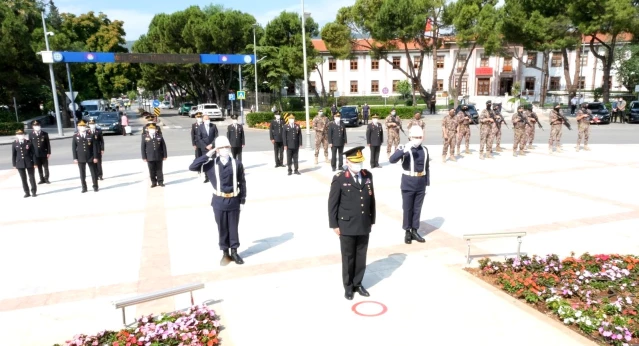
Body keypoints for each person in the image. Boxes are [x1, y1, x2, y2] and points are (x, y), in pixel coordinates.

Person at [328, 146, 376, 300]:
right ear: (348, 162)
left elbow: (371, 200)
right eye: (356, 162)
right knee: (348, 256)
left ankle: (358, 283)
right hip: (346, 225)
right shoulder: (340, 178)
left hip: (363, 223)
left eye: (360, 162)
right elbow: (332, 204)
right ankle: (348, 286)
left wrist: (371, 219)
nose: (359, 165)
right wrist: (334, 224)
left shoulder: (367, 175)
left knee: (361, 255)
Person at [189, 136, 247, 265]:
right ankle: (225, 253)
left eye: (226, 147)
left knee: (233, 227)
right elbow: (193, 167)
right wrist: (209, 153)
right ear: (217, 150)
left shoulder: (237, 163)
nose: (225, 150)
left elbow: (242, 183)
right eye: (221, 148)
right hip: (218, 201)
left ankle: (234, 252)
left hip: (233, 200)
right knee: (222, 227)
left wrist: (242, 200)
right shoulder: (211, 164)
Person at [390, 126, 429, 244]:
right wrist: (403, 151)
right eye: (415, 137)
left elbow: (427, 167)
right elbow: (392, 160)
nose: (417, 139)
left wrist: (426, 183)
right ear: (410, 137)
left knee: (417, 209)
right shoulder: (404, 148)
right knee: (407, 208)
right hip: (408, 182)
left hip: (421, 182)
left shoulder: (425, 150)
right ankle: (407, 231)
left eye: (419, 137)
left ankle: (414, 230)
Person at [72, 120, 99, 193]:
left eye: (83, 126)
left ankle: (95, 186)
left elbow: (94, 147)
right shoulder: (75, 136)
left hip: (90, 156)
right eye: (81, 126)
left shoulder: (90, 135)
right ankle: (84, 187)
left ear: (86, 127)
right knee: (82, 174)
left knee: (93, 172)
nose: (82, 127)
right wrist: (75, 158)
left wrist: (95, 157)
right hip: (80, 157)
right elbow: (74, 148)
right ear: (78, 127)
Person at [12, 129, 37, 198]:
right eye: (19, 134)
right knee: (23, 179)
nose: (20, 136)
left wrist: (35, 163)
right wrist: (14, 164)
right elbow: (14, 155)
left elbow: (33, 153)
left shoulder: (28, 142)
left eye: (22, 134)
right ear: (16, 135)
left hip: (29, 162)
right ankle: (27, 192)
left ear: (24, 135)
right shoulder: (14, 143)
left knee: (31, 178)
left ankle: (34, 191)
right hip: (20, 163)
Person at [196, 115, 219, 183]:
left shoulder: (213, 126)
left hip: (212, 147)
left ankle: (214, 176)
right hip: (205, 148)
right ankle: (207, 177)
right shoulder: (200, 127)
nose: (207, 120)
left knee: (214, 162)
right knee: (206, 162)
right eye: (206, 119)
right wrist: (206, 146)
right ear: (203, 120)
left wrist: (212, 144)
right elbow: (199, 138)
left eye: (208, 118)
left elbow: (216, 136)